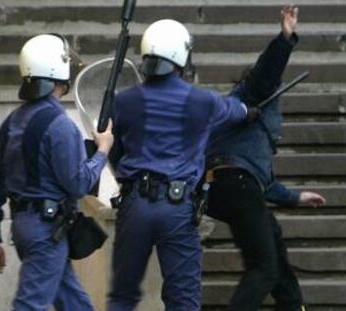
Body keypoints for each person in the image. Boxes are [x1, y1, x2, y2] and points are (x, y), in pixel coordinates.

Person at [107, 19, 251, 311]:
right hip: (176, 205)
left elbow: (114, 151)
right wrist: (251, 111)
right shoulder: (201, 101)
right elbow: (237, 111)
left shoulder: (124, 101)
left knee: (122, 296)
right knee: (182, 298)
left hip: (134, 203)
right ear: (182, 58)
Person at [0, 33, 114, 311]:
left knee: (76, 305)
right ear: (58, 72)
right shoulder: (60, 126)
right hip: (47, 231)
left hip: (28, 227)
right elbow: (78, 184)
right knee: (30, 305)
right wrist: (102, 151)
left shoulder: (14, 120)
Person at [204, 6, 326, 311]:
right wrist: (285, 38)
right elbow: (266, 72)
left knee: (271, 239)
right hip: (235, 182)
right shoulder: (251, 94)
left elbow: (264, 182)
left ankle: (293, 304)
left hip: (235, 185)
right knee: (263, 267)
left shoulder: (243, 131)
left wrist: (298, 197)